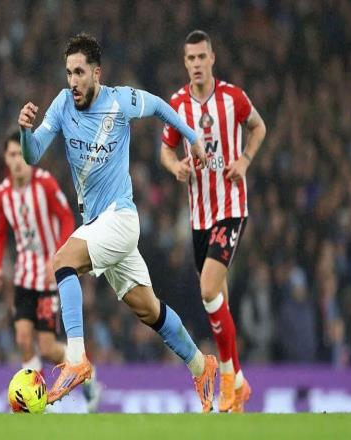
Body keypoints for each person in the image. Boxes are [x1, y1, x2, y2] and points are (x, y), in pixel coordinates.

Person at [19, 32, 218, 412]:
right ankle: (201, 365)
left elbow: (158, 105)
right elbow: (32, 155)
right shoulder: (62, 104)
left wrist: (191, 137)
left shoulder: (119, 100)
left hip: (120, 218)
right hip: (98, 224)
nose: (73, 81)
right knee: (148, 309)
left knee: (62, 262)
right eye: (68, 73)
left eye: (80, 72)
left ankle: (76, 359)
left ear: (97, 73)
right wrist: (26, 132)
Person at [160, 30, 267, 413]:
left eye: (201, 57)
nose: (196, 64)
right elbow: (165, 150)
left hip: (230, 208)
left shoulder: (233, 98)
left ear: (212, 58)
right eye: (190, 58)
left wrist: (245, 161)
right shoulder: (177, 104)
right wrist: (175, 167)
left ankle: (225, 375)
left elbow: (259, 127)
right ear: (185, 62)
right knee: (217, 300)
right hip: (199, 217)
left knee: (208, 289)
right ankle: (239, 384)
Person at [0, 131, 101, 411]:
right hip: (24, 277)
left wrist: (58, 257)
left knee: (49, 347)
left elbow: (66, 217)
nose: (17, 160)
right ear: (6, 159)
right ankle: (37, 401)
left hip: (48, 278)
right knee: (22, 338)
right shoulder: (3, 193)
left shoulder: (45, 183)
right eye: (12, 155)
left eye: (21, 154)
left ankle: (86, 373)